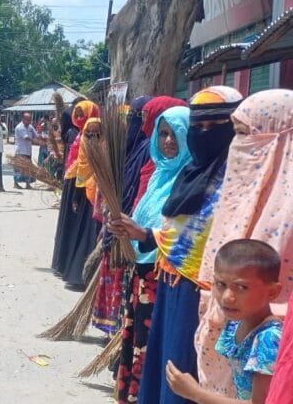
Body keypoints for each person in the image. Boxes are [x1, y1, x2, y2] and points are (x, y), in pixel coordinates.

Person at [110, 86, 243, 404]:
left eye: (215, 128)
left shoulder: (235, 179)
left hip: (203, 292)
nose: (204, 135)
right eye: (198, 128)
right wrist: (141, 234)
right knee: (163, 365)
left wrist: (146, 235)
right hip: (168, 279)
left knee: (185, 372)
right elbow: (177, 231)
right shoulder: (188, 174)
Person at [194, 89, 293, 397]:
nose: (238, 146)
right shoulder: (241, 191)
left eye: (243, 133)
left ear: (279, 139)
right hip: (228, 350)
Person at [115, 105, 192, 403]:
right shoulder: (159, 174)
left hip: (161, 277)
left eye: (176, 134)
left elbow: (184, 235)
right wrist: (127, 228)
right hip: (141, 270)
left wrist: (145, 235)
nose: (169, 141)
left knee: (148, 347)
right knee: (135, 341)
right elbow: (146, 219)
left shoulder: (188, 179)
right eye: (163, 134)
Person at [167, 239, 283, 403]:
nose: (227, 297)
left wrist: (196, 393)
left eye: (242, 287)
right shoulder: (237, 322)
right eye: (221, 284)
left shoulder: (268, 338)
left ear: (272, 292)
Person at [53, 101, 100, 290]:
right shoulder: (77, 134)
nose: (79, 118)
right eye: (77, 114)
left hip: (93, 189)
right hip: (75, 183)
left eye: (83, 114)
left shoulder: (95, 138)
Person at [13, 112, 38, 190]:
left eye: (30, 119)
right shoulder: (19, 127)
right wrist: (36, 141)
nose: (29, 121)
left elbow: (36, 135)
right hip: (20, 151)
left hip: (28, 151)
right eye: (28, 119)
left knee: (28, 168)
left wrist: (42, 139)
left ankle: (27, 183)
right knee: (18, 168)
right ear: (23, 119)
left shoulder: (30, 127)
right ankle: (15, 183)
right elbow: (26, 137)